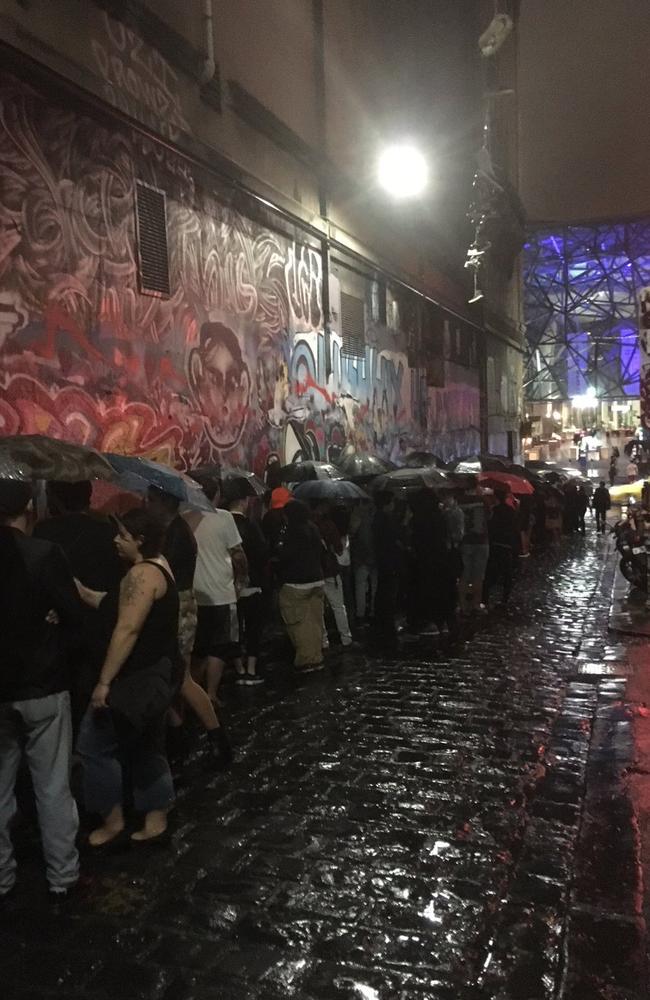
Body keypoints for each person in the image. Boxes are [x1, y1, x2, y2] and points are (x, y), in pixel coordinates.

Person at [76, 509, 181, 846]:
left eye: (122, 535)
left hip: (138, 677)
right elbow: (116, 605)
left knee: (93, 745)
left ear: (139, 539)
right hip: (155, 674)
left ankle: (112, 820)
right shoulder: (157, 566)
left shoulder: (142, 574)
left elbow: (128, 627)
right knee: (146, 745)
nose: (115, 541)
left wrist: (104, 682)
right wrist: (80, 591)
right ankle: (156, 816)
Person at [0, 480, 83, 901]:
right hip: (43, 685)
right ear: (29, 507)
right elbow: (73, 615)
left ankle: (1, 875)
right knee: (52, 786)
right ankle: (61, 875)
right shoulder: (44, 554)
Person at [146, 486, 225, 755]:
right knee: (176, 676)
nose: (147, 504)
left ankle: (212, 736)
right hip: (180, 605)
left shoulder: (176, 534)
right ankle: (184, 734)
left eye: (152, 500)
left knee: (180, 677)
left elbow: (163, 572)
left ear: (165, 503)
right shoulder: (174, 530)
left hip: (178, 607)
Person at [185, 472, 248, 707]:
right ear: (217, 494)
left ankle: (195, 694)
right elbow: (238, 555)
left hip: (194, 593)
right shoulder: (224, 518)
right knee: (220, 647)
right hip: (221, 593)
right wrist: (241, 582)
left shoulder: (185, 519)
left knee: (198, 648)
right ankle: (210, 694)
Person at [226, 478, 270, 685]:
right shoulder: (251, 526)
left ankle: (239, 668)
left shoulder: (222, 523)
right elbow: (262, 553)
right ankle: (251, 669)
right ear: (243, 501)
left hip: (227, 586)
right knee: (253, 628)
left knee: (234, 631)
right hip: (252, 585)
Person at [276, 500, 325, 673]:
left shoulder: (292, 531)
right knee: (314, 620)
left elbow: (286, 556)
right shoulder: (312, 528)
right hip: (317, 579)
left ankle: (306, 660)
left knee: (298, 623)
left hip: (296, 582)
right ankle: (316, 655)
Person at [312, 500, 353, 649]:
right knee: (338, 606)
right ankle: (345, 637)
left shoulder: (310, 525)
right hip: (330, 570)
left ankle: (323, 641)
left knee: (319, 609)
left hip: (315, 571)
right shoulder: (329, 525)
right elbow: (339, 549)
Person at [371, 491, 403, 650]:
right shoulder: (385, 519)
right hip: (389, 561)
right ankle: (386, 622)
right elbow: (393, 540)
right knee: (388, 592)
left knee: (383, 590)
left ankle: (381, 620)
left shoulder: (376, 518)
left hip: (382, 560)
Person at [458, 477, 489, 614]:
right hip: (481, 541)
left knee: (464, 574)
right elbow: (489, 517)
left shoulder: (459, 501)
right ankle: (476, 604)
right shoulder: (482, 501)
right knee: (478, 575)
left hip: (464, 541)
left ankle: (463, 605)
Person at [484, 487, 519, 608]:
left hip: (496, 543)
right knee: (506, 572)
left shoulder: (494, 510)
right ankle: (505, 597)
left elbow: (490, 526)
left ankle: (485, 598)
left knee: (491, 572)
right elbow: (515, 527)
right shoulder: (511, 510)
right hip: (507, 544)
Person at [349, 499, 377, 624]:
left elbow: (354, 535)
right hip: (374, 557)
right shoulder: (374, 518)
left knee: (360, 585)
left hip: (361, 558)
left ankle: (360, 614)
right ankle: (373, 611)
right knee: (374, 585)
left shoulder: (357, 518)